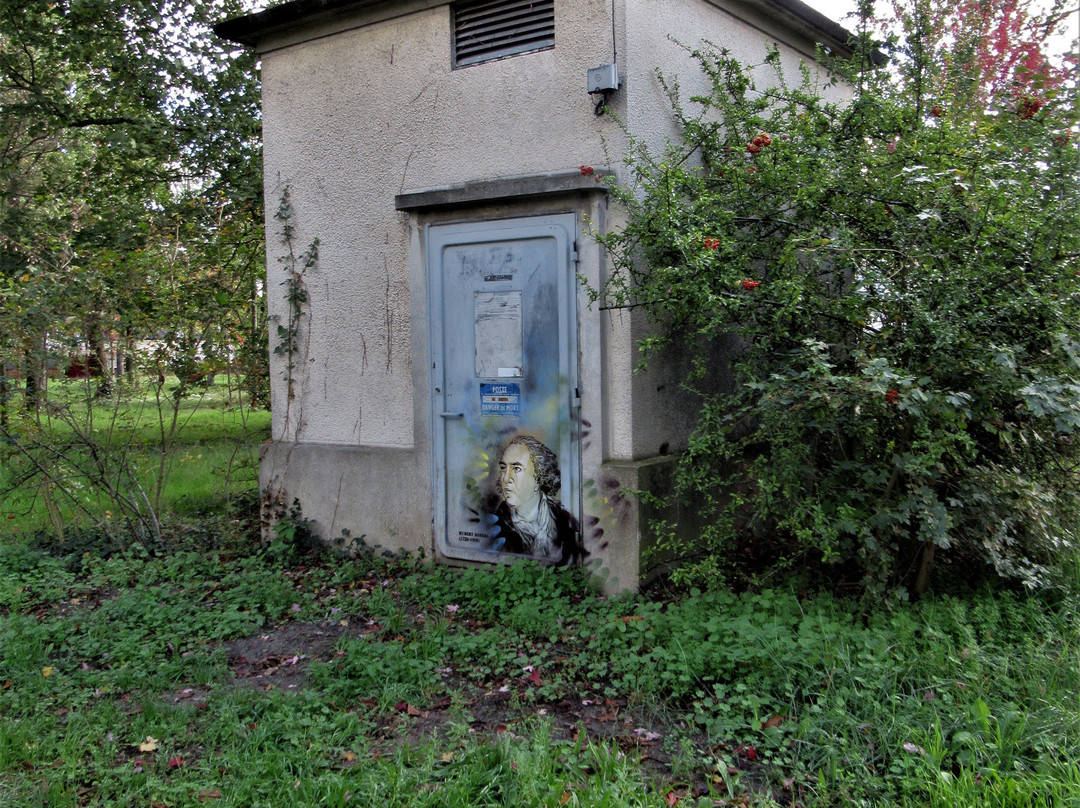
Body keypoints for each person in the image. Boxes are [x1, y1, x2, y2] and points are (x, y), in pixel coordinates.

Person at [490, 434, 583, 565]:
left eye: (516, 469)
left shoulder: (563, 519)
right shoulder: (496, 528)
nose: (505, 478)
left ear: (539, 478)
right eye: (503, 468)